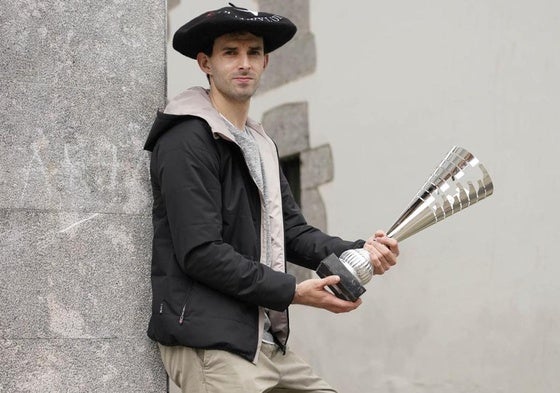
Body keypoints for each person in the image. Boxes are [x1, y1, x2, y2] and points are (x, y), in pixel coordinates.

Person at [143, 4, 399, 393]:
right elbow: (199, 252)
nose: (244, 63)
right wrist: (292, 292)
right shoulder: (187, 138)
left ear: (265, 62)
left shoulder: (260, 142)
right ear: (205, 63)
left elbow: (292, 231)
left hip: (261, 340)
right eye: (230, 52)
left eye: (253, 53)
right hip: (208, 341)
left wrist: (358, 251)